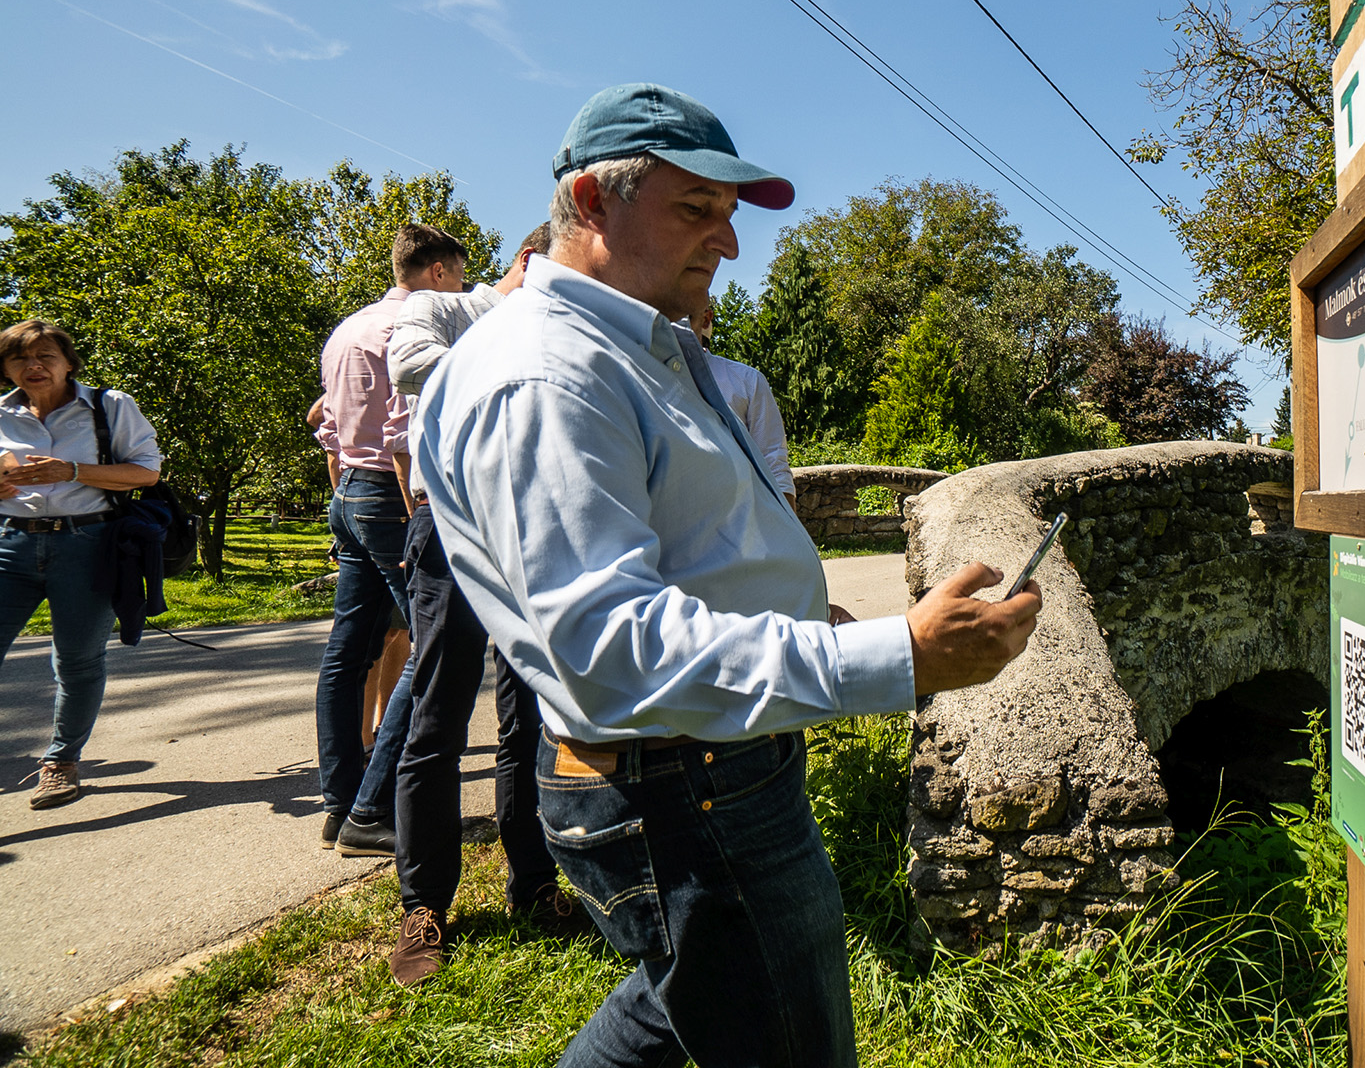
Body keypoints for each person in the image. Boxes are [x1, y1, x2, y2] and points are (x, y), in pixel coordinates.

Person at [414, 82, 1041, 1067]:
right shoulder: (548, 374)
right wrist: (891, 655)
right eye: (696, 210)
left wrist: (801, 611)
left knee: (690, 1006)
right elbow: (607, 647)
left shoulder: (630, 348)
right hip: (685, 783)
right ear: (589, 201)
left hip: (704, 765)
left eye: (729, 214)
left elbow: (693, 546)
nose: (730, 242)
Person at [379, 222, 580, 984]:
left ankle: (535, 885)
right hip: (455, 520)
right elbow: (410, 368)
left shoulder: (565, 328)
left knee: (530, 715)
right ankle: (424, 905)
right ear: (530, 262)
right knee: (438, 712)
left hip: (533, 527)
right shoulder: (445, 308)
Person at [313, 223, 466, 853]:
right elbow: (404, 436)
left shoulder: (346, 329)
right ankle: (372, 810)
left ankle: (338, 800)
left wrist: (343, 495)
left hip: (349, 489)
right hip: (393, 495)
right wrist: (416, 518)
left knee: (347, 650)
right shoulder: (411, 329)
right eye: (457, 274)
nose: (460, 289)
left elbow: (327, 424)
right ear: (436, 272)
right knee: (431, 644)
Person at [0, 320, 162, 809]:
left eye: (46, 356)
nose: (33, 367)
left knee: (77, 661)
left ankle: (60, 762)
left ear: (68, 362)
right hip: (10, 545)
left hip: (87, 545)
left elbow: (147, 471)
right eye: (20, 358)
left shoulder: (110, 406)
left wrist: (71, 471)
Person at [689, 297, 796, 508]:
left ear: (706, 319)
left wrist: (793, 533)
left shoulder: (747, 381)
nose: (674, 326)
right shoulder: (638, 378)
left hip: (739, 519)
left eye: (686, 317)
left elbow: (772, 459)